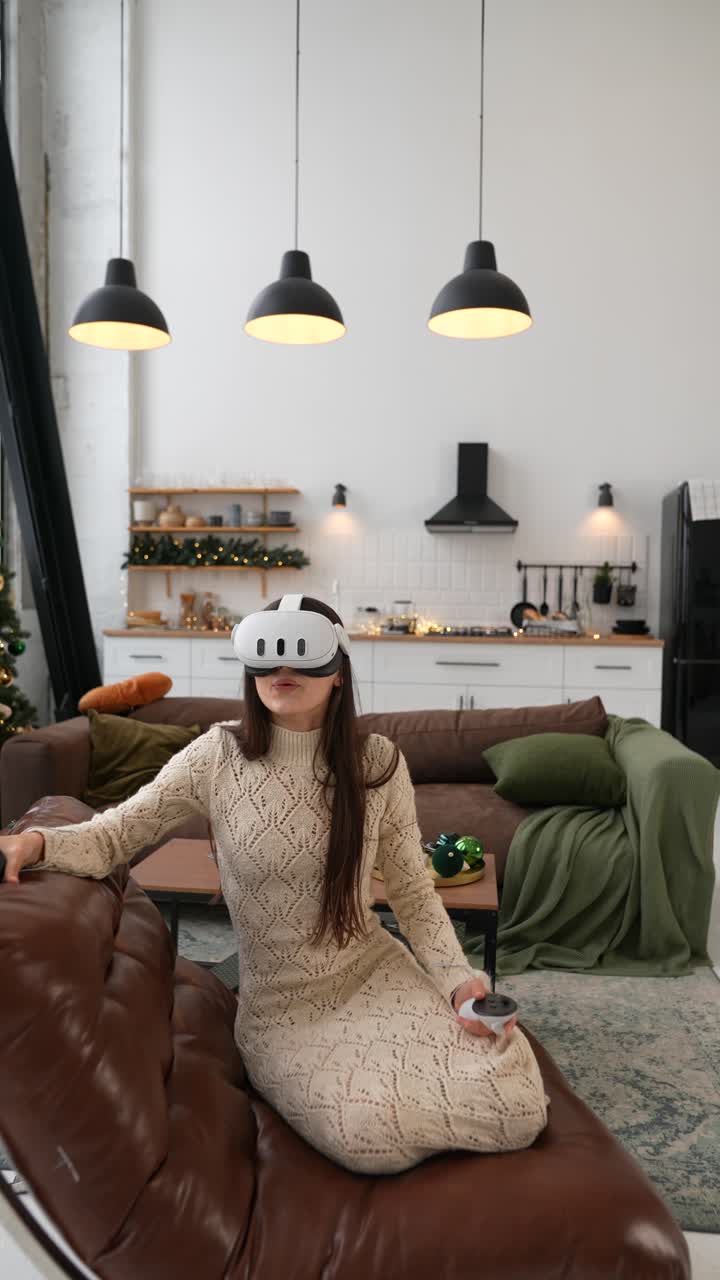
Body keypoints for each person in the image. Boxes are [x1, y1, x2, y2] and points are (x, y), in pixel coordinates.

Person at [0, 596, 547, 1175]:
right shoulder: (217, 755)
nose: (283, 669)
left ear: (338, 672)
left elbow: (412, 893)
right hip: (284, 1010)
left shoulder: (378, 762)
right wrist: (36, 843)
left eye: (305, 653)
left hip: (374, 973)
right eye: (268, 654)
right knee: (370, 1139)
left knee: (518, 1098)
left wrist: (459, 982)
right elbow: (114, 835)